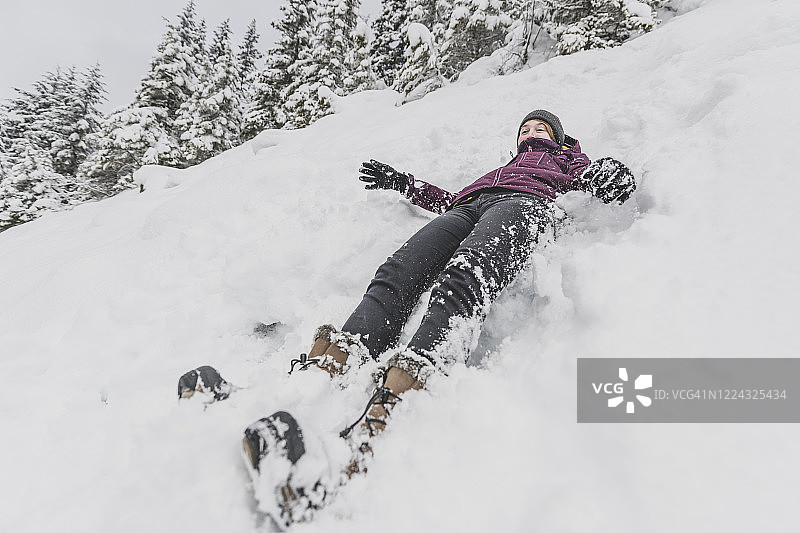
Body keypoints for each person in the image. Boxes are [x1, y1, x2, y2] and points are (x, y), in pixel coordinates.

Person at [286, 109, 637, 442]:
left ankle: (412, 383)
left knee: (466, 273)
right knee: (396, 270)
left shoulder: (564, 159)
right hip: (468, 206)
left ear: (557, 138)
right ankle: (336, 360)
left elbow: (590, 176)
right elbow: (450, 199)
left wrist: (606, 172)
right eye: (524, 130)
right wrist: (404, 183)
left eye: (539, 129)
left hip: (525, 204)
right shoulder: (502, 168)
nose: (530, 134)